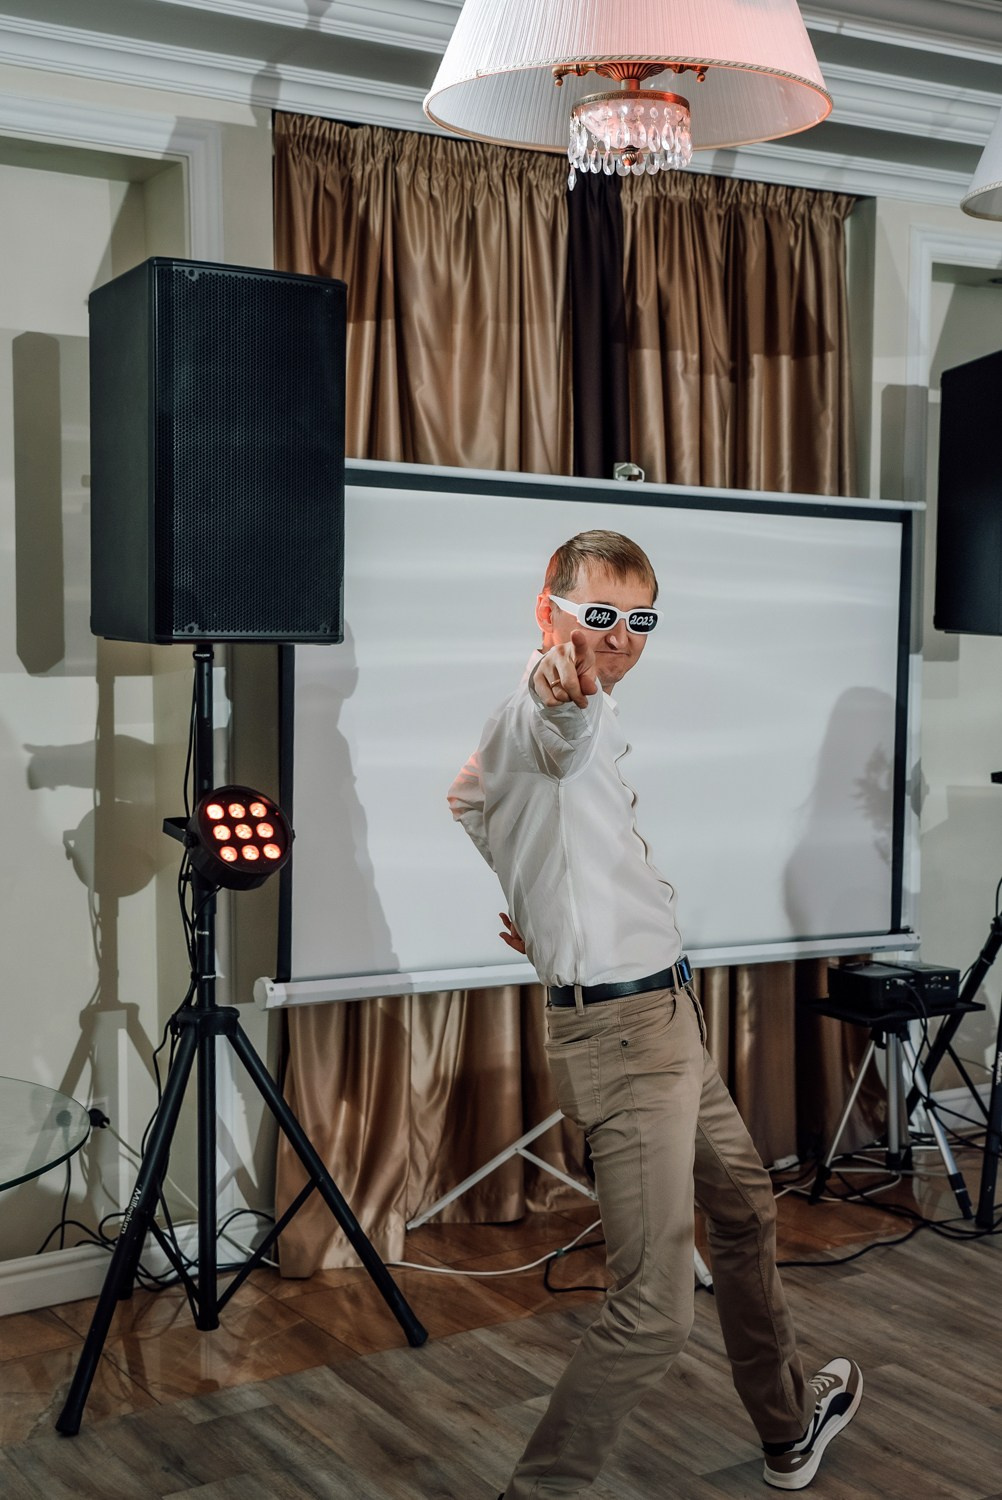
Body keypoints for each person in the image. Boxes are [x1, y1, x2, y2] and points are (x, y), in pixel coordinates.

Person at [447, 530, 862, 1498]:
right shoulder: (550, 709)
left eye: (640, 620)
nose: (619, 638)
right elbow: (560, 729)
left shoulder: (529, 730)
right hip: (625, 1041)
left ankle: (790, 1430)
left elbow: (467, 799)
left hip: (671, 1020)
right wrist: (567, 692)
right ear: (547, 612)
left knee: (747, 1212)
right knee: (654, 1312)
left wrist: (544, 902)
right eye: (598, 616)